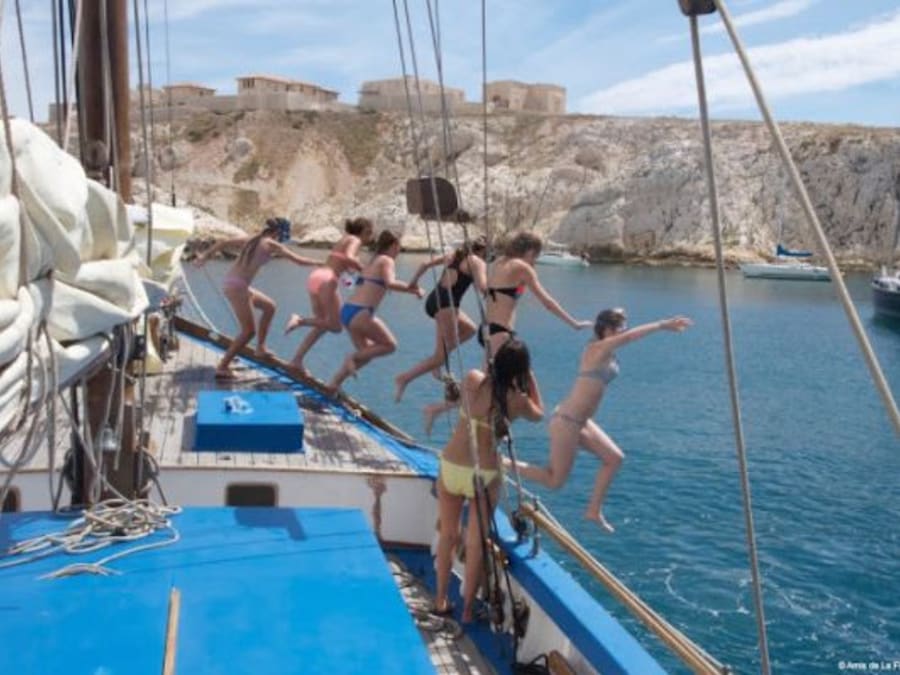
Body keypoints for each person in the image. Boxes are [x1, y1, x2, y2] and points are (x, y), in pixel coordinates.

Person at [515, 308, 692, 533]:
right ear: (607, 330)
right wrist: (661, 325)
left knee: (614, 458)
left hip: (581, 422)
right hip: (567, 421)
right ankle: (502, 463)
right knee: (554, 480)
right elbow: (630, 338)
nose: (624, 332)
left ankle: (593, 511)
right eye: (620, 328)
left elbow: (625, 338)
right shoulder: (596, 348)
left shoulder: (607, 352)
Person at [433, 339, 544, 622]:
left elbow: (474, 392)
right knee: (475, 542)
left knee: (448, 535)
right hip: (483, 474)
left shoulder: (472, 379)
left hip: (451, 465)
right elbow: (539, 414)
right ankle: (467, 610)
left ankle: (440, 599)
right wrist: (530, 378)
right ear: (521, 370)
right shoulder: (517, 400)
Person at [194, 218, 322, 379]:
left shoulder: (252, 240)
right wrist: (322, 263)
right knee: (248, 332)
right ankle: (223, 366)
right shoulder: (271, 244)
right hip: (237, 288)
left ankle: (260, 348)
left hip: (235, 283)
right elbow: (299, 260)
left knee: (270, 306)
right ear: (277, 232)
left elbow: (223, 243)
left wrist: (204, 257)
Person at [393, 236, 488, 402]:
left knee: (470, 329)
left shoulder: (454, 256)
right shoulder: (476, 261)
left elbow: (424, 264)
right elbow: (483, 288)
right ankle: (404, 378)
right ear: (483, 251)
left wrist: (412, 284)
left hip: (435, 300)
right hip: (446, 306)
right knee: (439, 357)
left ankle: (438, 360)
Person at [327, 230, 423, 392]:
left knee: (367, 354)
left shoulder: (373, 261)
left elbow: (357, 283)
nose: (399, 251)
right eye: (399, 247)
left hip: (348, 311)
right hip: (361, 313)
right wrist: (413, 290)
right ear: (394, 245)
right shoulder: (386, 260)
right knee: (390, 345)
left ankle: (334, 383)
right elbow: (390, 283)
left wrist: (412, 289)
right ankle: (350, 357)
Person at [283, 217, 373, 376]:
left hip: (316, 277)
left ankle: (296, 360)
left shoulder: (344, 240)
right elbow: (349, 258)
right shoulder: (355, 240)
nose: (371, 238)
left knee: (322, 324)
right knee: (336, 326)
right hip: (327, 280)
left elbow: (345, 274)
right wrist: (364, 269)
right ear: (365, 231)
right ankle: (300, 320)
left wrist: (356, 278)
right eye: (370, 233)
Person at [479, 231, 591, 356]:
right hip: (500, 332)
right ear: (530, 252)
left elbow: (507, 292)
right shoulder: (523, 268)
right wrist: (574, 323)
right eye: (535, 256)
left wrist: (523, 283)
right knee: (503, 367)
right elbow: (547, 302)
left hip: (486, 328)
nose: (535, 260)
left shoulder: (500, 262)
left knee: (495, 366)